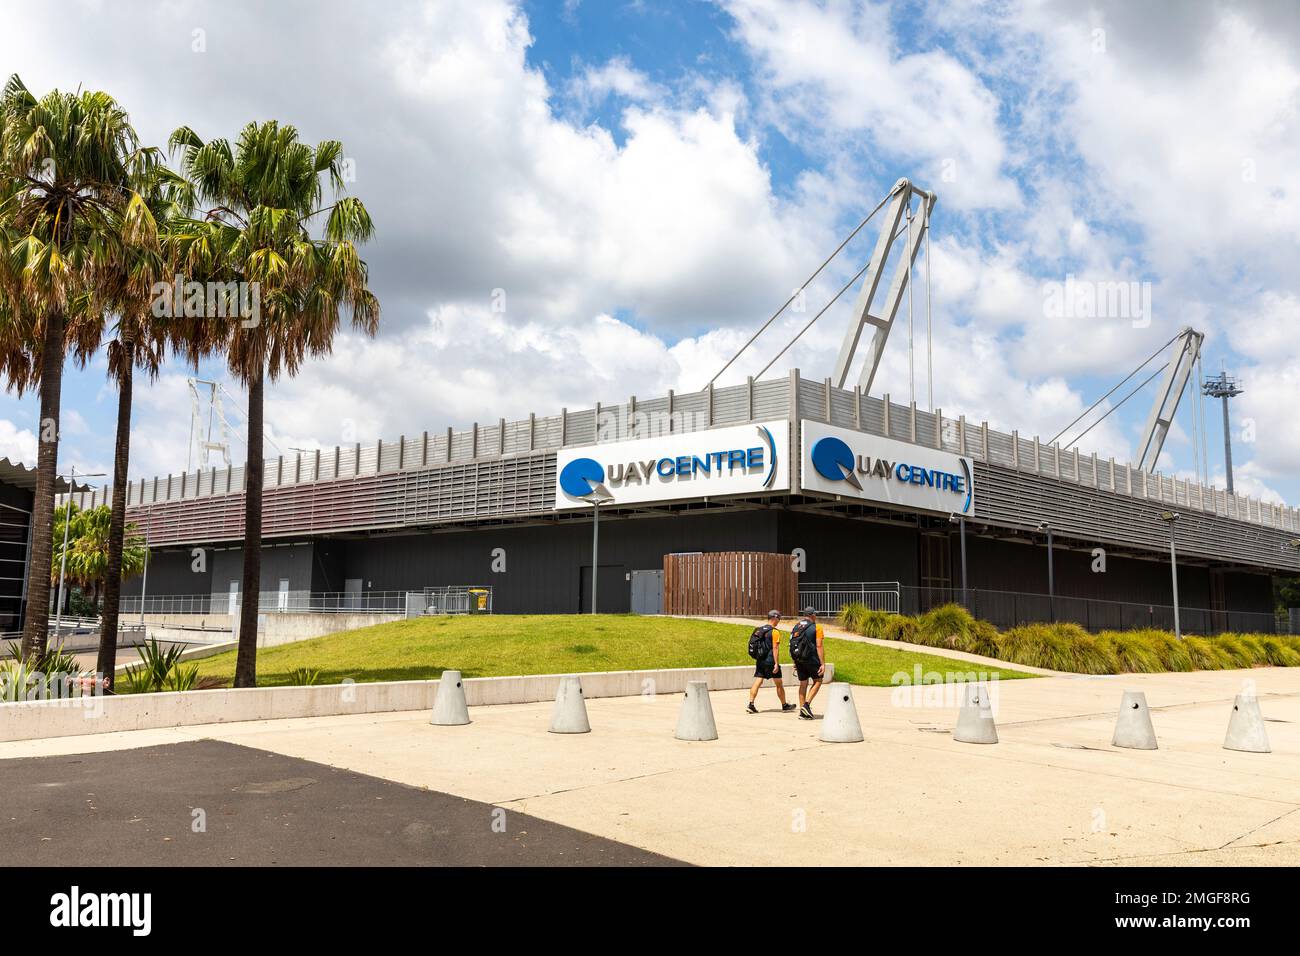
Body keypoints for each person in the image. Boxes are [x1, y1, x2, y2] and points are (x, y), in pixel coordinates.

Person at [747, 610, 796, 714]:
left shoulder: (759, 630)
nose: (779, 621)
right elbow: (775, 648)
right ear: (774, 618)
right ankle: (784, 705)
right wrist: (776, 663)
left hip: (760, 660)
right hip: (770, 661)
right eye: (779, 618)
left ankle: (751, 704)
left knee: (758, 681)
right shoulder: (774, 631)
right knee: (779, 683)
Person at [789, 606, 826, 720]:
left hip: (799, 659)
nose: (816, 616)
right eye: (815, 614)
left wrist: (795, 661)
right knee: (818, 680)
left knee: (803, 683)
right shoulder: (817, 627)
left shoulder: (796, 627)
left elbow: (792, 644)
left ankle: (802, 711)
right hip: (811, 658)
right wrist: (822, 663)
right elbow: (819, 645)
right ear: (811, 615)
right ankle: (806, 705)